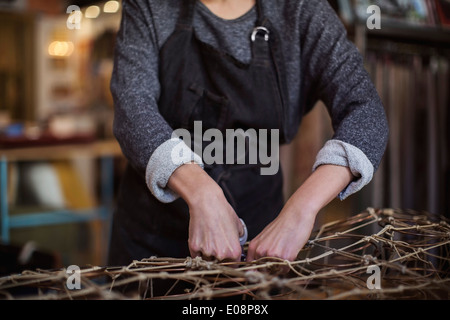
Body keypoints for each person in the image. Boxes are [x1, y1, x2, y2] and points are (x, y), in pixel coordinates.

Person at [107, 0, 389, 266]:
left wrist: (301, 211)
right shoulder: (149, 5)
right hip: (152, 241)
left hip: (259, 242)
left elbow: (365, 113)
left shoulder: (302, 10)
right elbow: (132, 108)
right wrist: (202, 192)